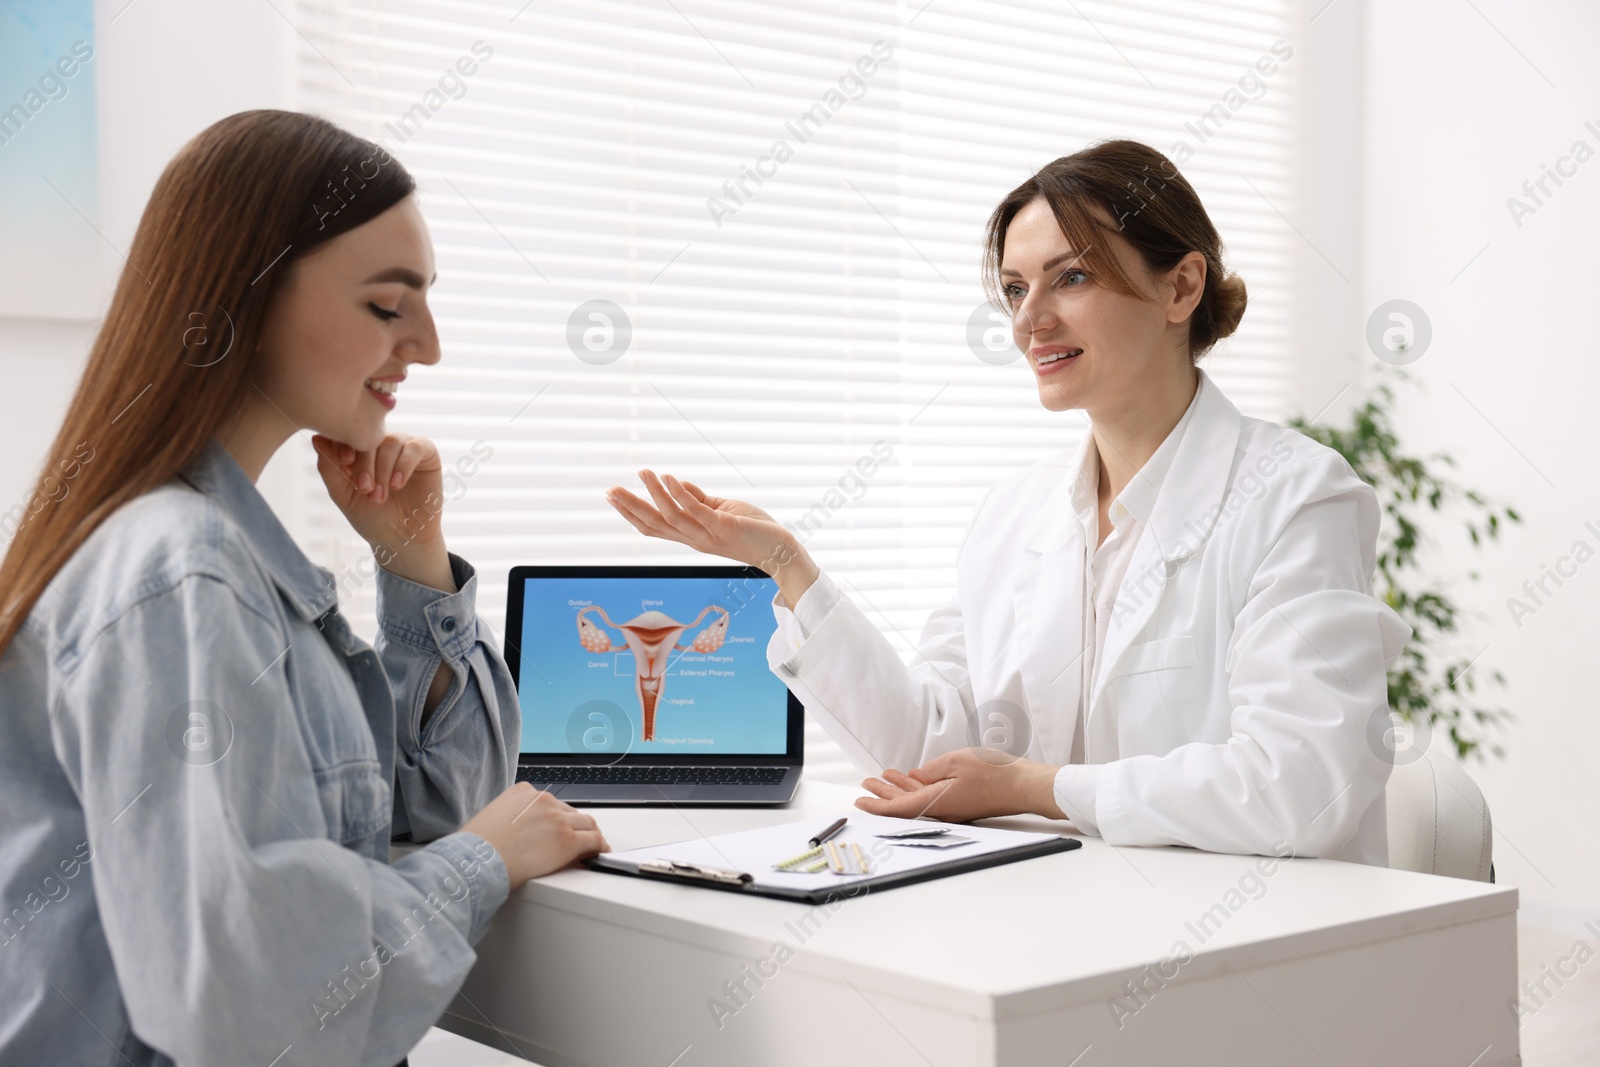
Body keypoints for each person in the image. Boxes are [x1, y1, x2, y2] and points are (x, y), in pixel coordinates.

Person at [607, 139, 1411, 866]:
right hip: (1055, 927)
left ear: (1182, 286)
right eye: (1016, 288)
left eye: (1072, 276)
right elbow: (928, 750)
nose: (1030, 319)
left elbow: (1299, 784)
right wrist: (787, 568)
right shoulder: (1012, 515)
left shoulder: (1299, 496)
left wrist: (1038, 786)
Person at [0, 110, 607, 1066]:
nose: (431, 346)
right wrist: (480, 863)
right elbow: (251, 1000)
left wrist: (413, 555)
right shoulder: (184, 572)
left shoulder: (223, 558)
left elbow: (449, 809)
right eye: (385, 305)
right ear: (242, 298)